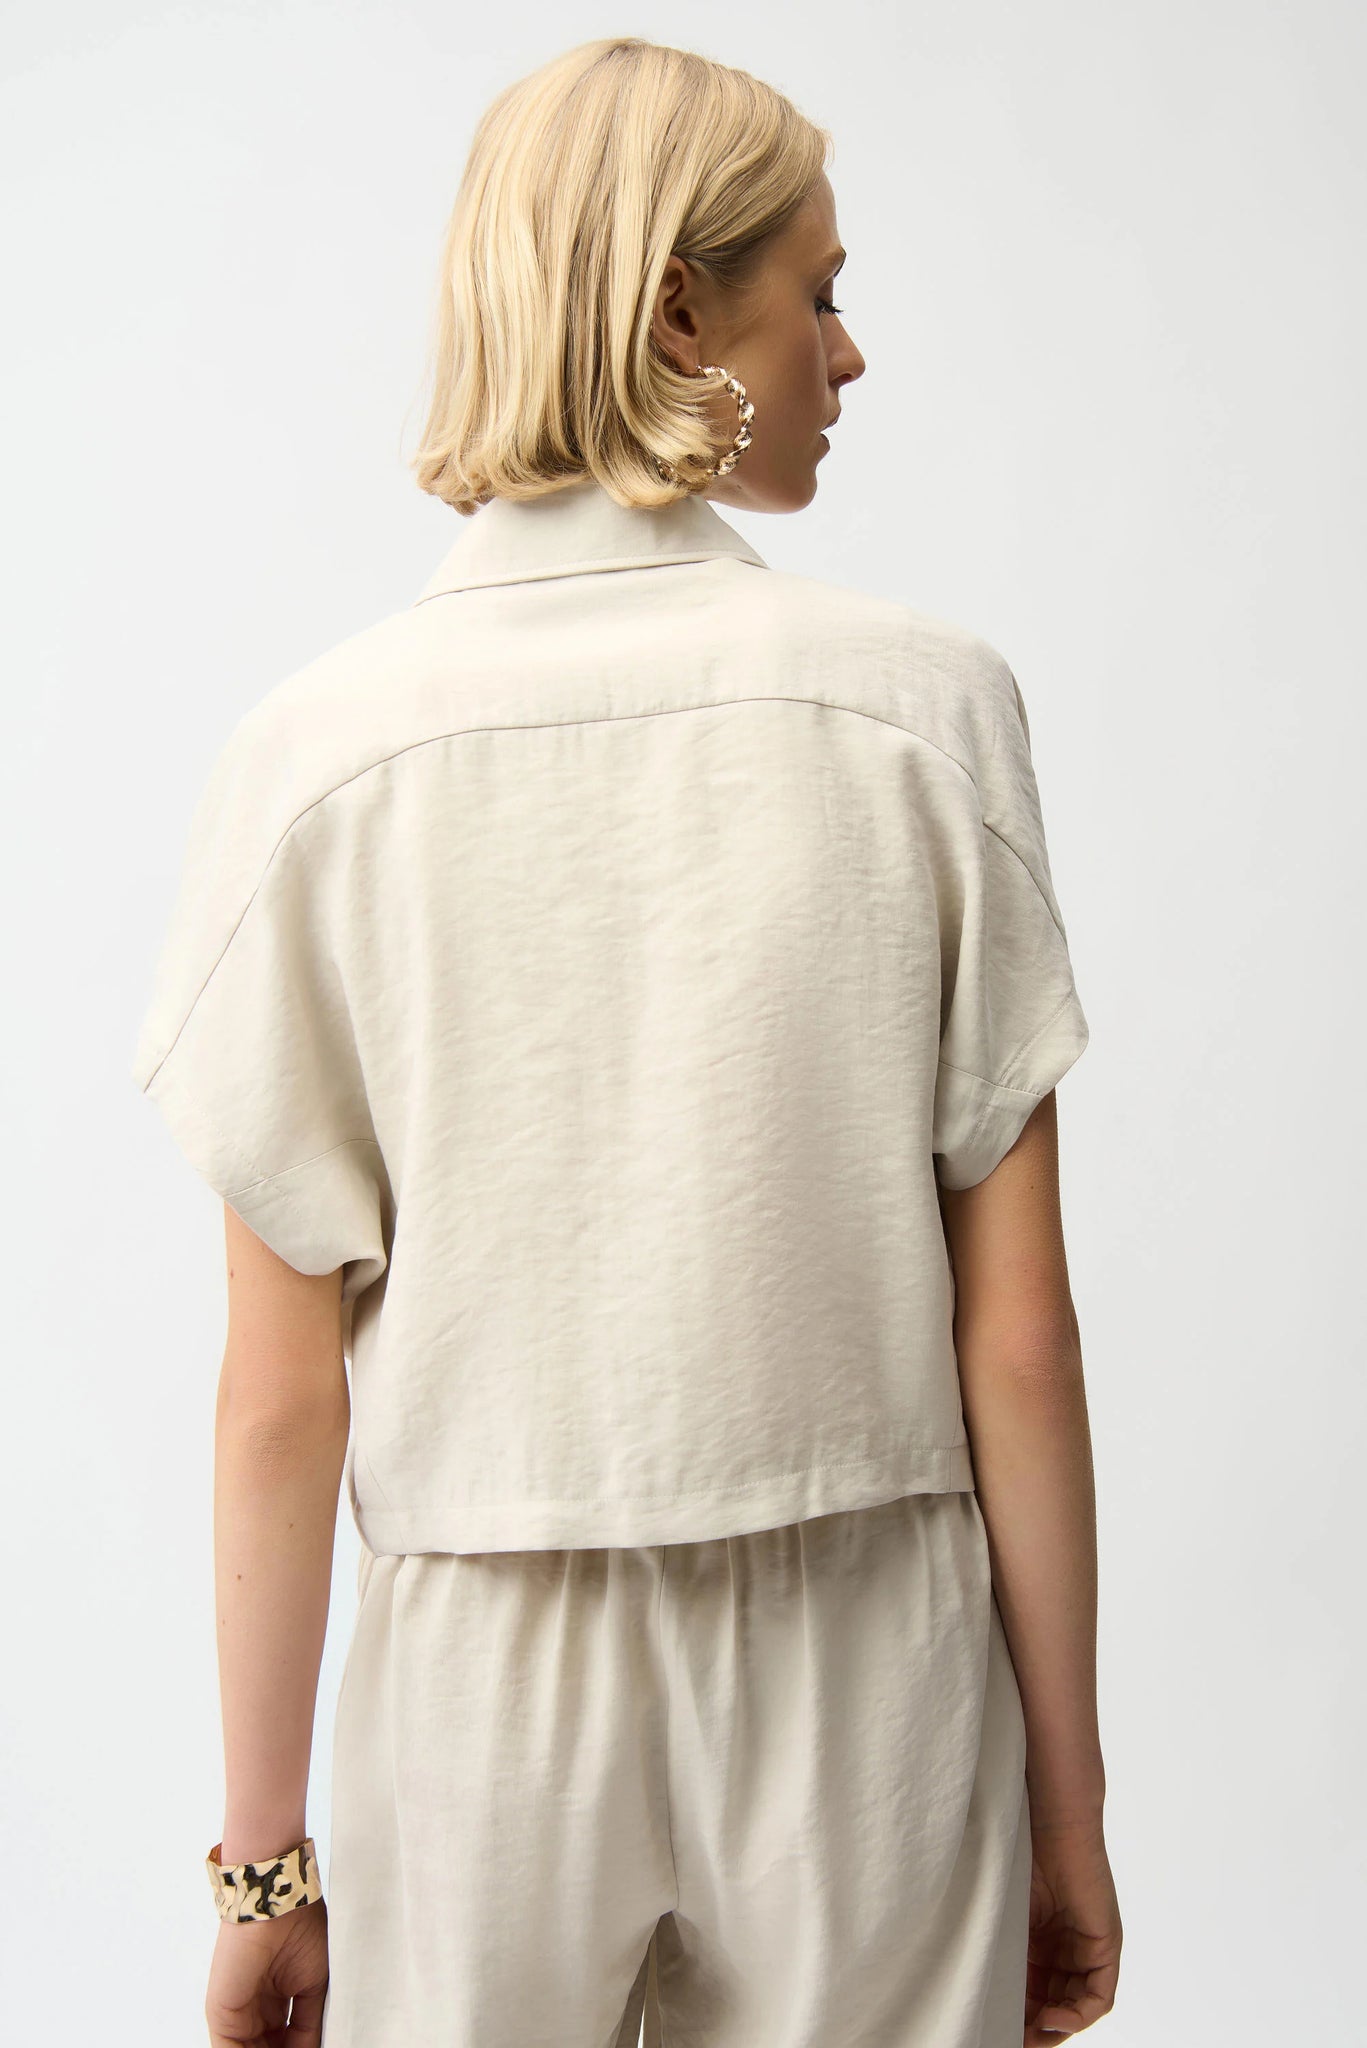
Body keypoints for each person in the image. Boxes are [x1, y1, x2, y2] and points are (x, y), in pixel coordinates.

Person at [131, 34, 1122, 2048]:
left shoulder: (315, 761)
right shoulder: (925, 713)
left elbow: (276, 1399)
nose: (850, 352)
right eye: (819, 290)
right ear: (679, 308)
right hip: (871, 1662)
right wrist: (1070, 1810)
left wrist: (263, 1866)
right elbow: (1018, 1336)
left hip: (483, 1687)